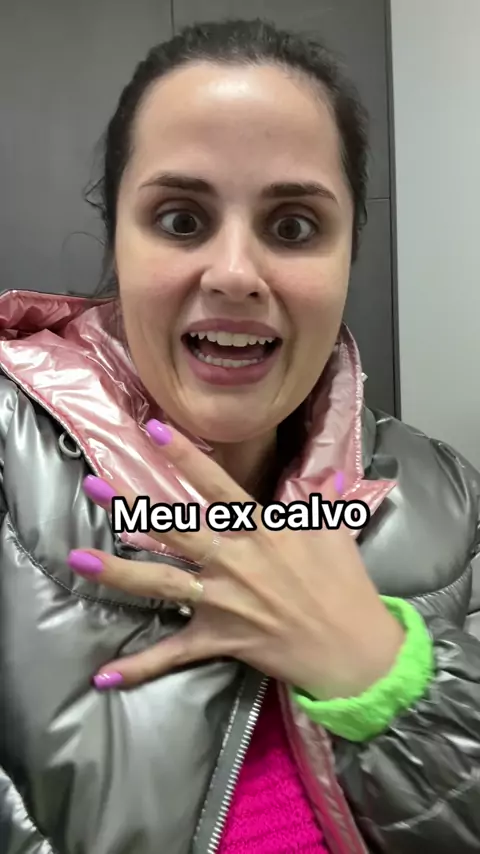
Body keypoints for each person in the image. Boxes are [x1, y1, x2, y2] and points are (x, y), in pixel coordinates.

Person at [1, 17, 479, 854]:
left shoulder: (448, 499)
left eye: (293, 227)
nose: (233, 274)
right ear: (117, 237)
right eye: (180, 220)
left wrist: (385, 678)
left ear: (348, 254)